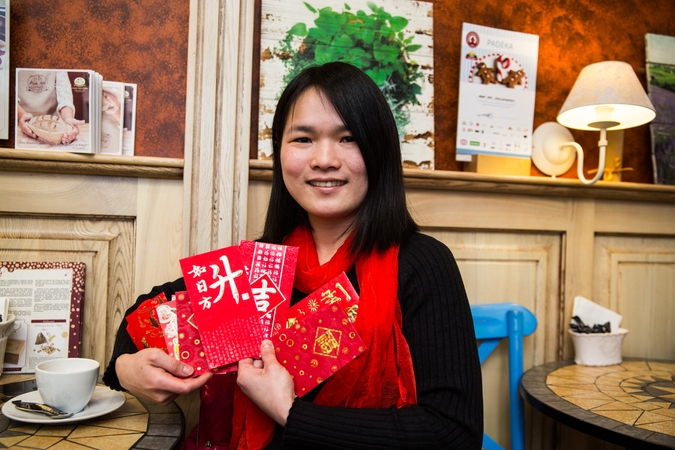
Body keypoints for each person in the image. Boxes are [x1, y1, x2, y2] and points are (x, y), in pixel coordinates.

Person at [103, 61, 483, 449]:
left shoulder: (423, 263)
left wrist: (290, 411)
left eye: (348, 138)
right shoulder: (260, 266)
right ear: (280, 153)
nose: (324, 159)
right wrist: (124, 367)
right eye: (303, 139)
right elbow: (151, 312)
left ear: (379, 151)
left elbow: (453, 433)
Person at [16, 69, 84, 144]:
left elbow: (64, 92)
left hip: (54, 125)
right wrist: (22, 116)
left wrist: (68, 119)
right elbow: (8, 93)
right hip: (21, 121)